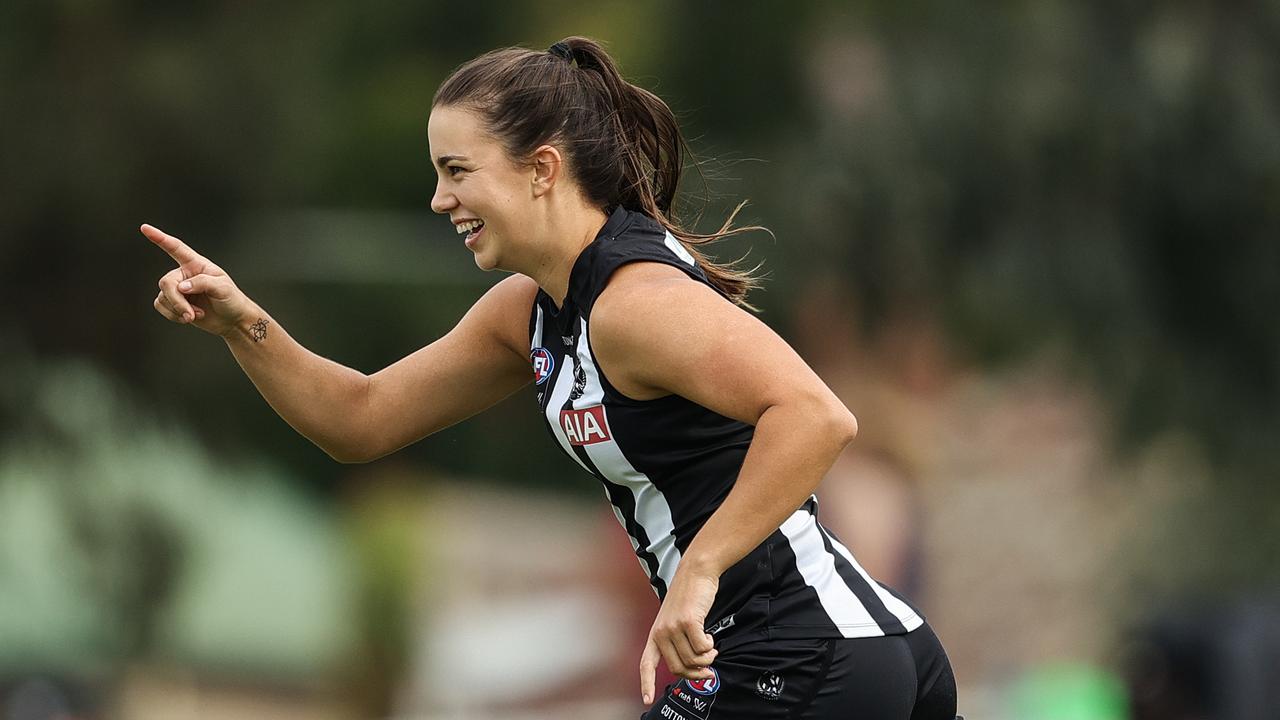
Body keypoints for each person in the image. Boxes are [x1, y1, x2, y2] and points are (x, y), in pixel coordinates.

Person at [143, 36, 957, 720]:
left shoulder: (634, 305)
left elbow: (817, 415)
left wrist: (699, 570)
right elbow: (361, 417)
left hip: (812, 652)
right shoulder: (527, 313)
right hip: (835, 656)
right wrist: (241, 324)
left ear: (541, 168)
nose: (438, 199)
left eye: (457, 171)